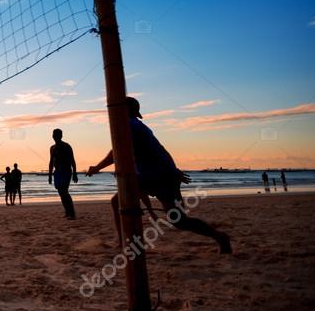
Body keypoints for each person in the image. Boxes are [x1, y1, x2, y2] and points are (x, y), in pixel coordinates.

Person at [87, 97, 230, 254]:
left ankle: (124, 243)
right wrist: (173, 171)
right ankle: (219, 237)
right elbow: (149, 152)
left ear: (123, 110)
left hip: (160, 176)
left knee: (119, 202)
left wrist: (97, 168)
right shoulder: (137, 125)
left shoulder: (129, 125)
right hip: (161, 175)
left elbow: (115, 153)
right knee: (179, 221)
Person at [49, 128, 78, 220]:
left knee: (64, 191)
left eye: (56, 135)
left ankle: (72, 213)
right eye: (53, 134)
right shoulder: (52, 148)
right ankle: (67, 211)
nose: (54, 136)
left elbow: (72, 160)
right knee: (61, 192)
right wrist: (49, 175)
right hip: (57, 172)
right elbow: (51, 161)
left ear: (61, 136)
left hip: (66, 171)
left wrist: (75, 173)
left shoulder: (66, 146)